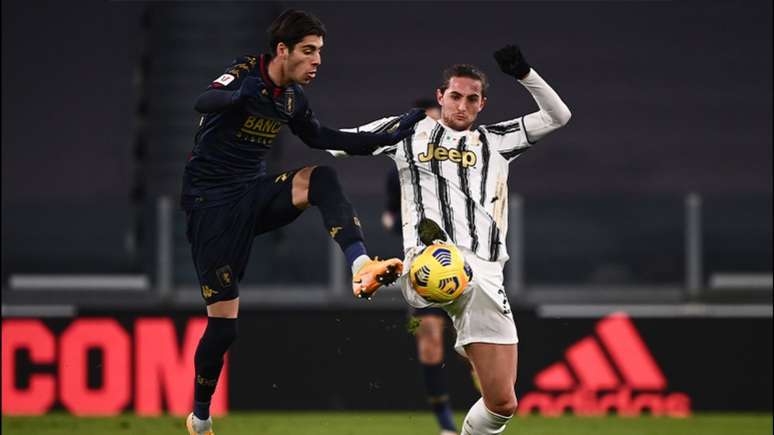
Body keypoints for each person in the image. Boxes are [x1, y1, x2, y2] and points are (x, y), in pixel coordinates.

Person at [181, 9, 425, 435]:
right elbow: (204, 101)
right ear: (282, 50)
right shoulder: (245, 74)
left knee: (321, 177)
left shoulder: (292, 100)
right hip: (211, 206)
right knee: (223, 330)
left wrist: (388, 138)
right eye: (309, 52)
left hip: (252, 194)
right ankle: (200, 417)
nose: (317, 61)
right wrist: (241, 97)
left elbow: (326, 140)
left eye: (320, 52)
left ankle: (360, 265)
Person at [332, 44, 571, 434]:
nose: (462, 105)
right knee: (429, 323)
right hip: (430, 264)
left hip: (486, 275)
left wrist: (525, 74)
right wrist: (292, 115)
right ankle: (400, 270)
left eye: (471, 99)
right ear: (441, 97)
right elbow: (336, 141)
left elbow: (559, 116)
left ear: (482, 104)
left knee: (502, 403)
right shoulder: (408, 132)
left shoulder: (496, 142)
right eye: (455, 96)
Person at [383, 99, 462, 435]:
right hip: (425, 271)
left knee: (473, 347)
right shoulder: (400, 172)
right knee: (429, 339)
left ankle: (491, 401)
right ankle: (445, 421)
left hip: (464, 265)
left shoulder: (465, 168)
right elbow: (391, 218)